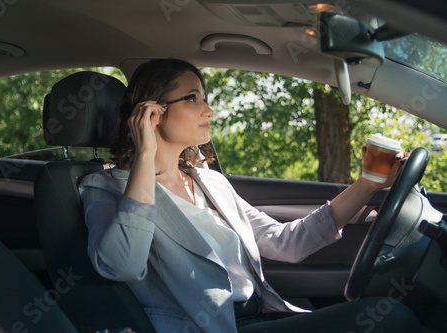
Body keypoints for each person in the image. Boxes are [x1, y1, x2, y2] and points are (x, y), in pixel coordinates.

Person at [78, 59, 422, 332]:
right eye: (192, 98)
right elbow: (122, 265)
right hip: (208, 326)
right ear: (151, 112)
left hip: (262, 316)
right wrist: (143, 155)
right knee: (389, 317)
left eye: (205, 97)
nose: (208, 110)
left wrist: (367, 186)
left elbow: (288, 242)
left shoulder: (209, 183)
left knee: (389, 316)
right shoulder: (106, 188)